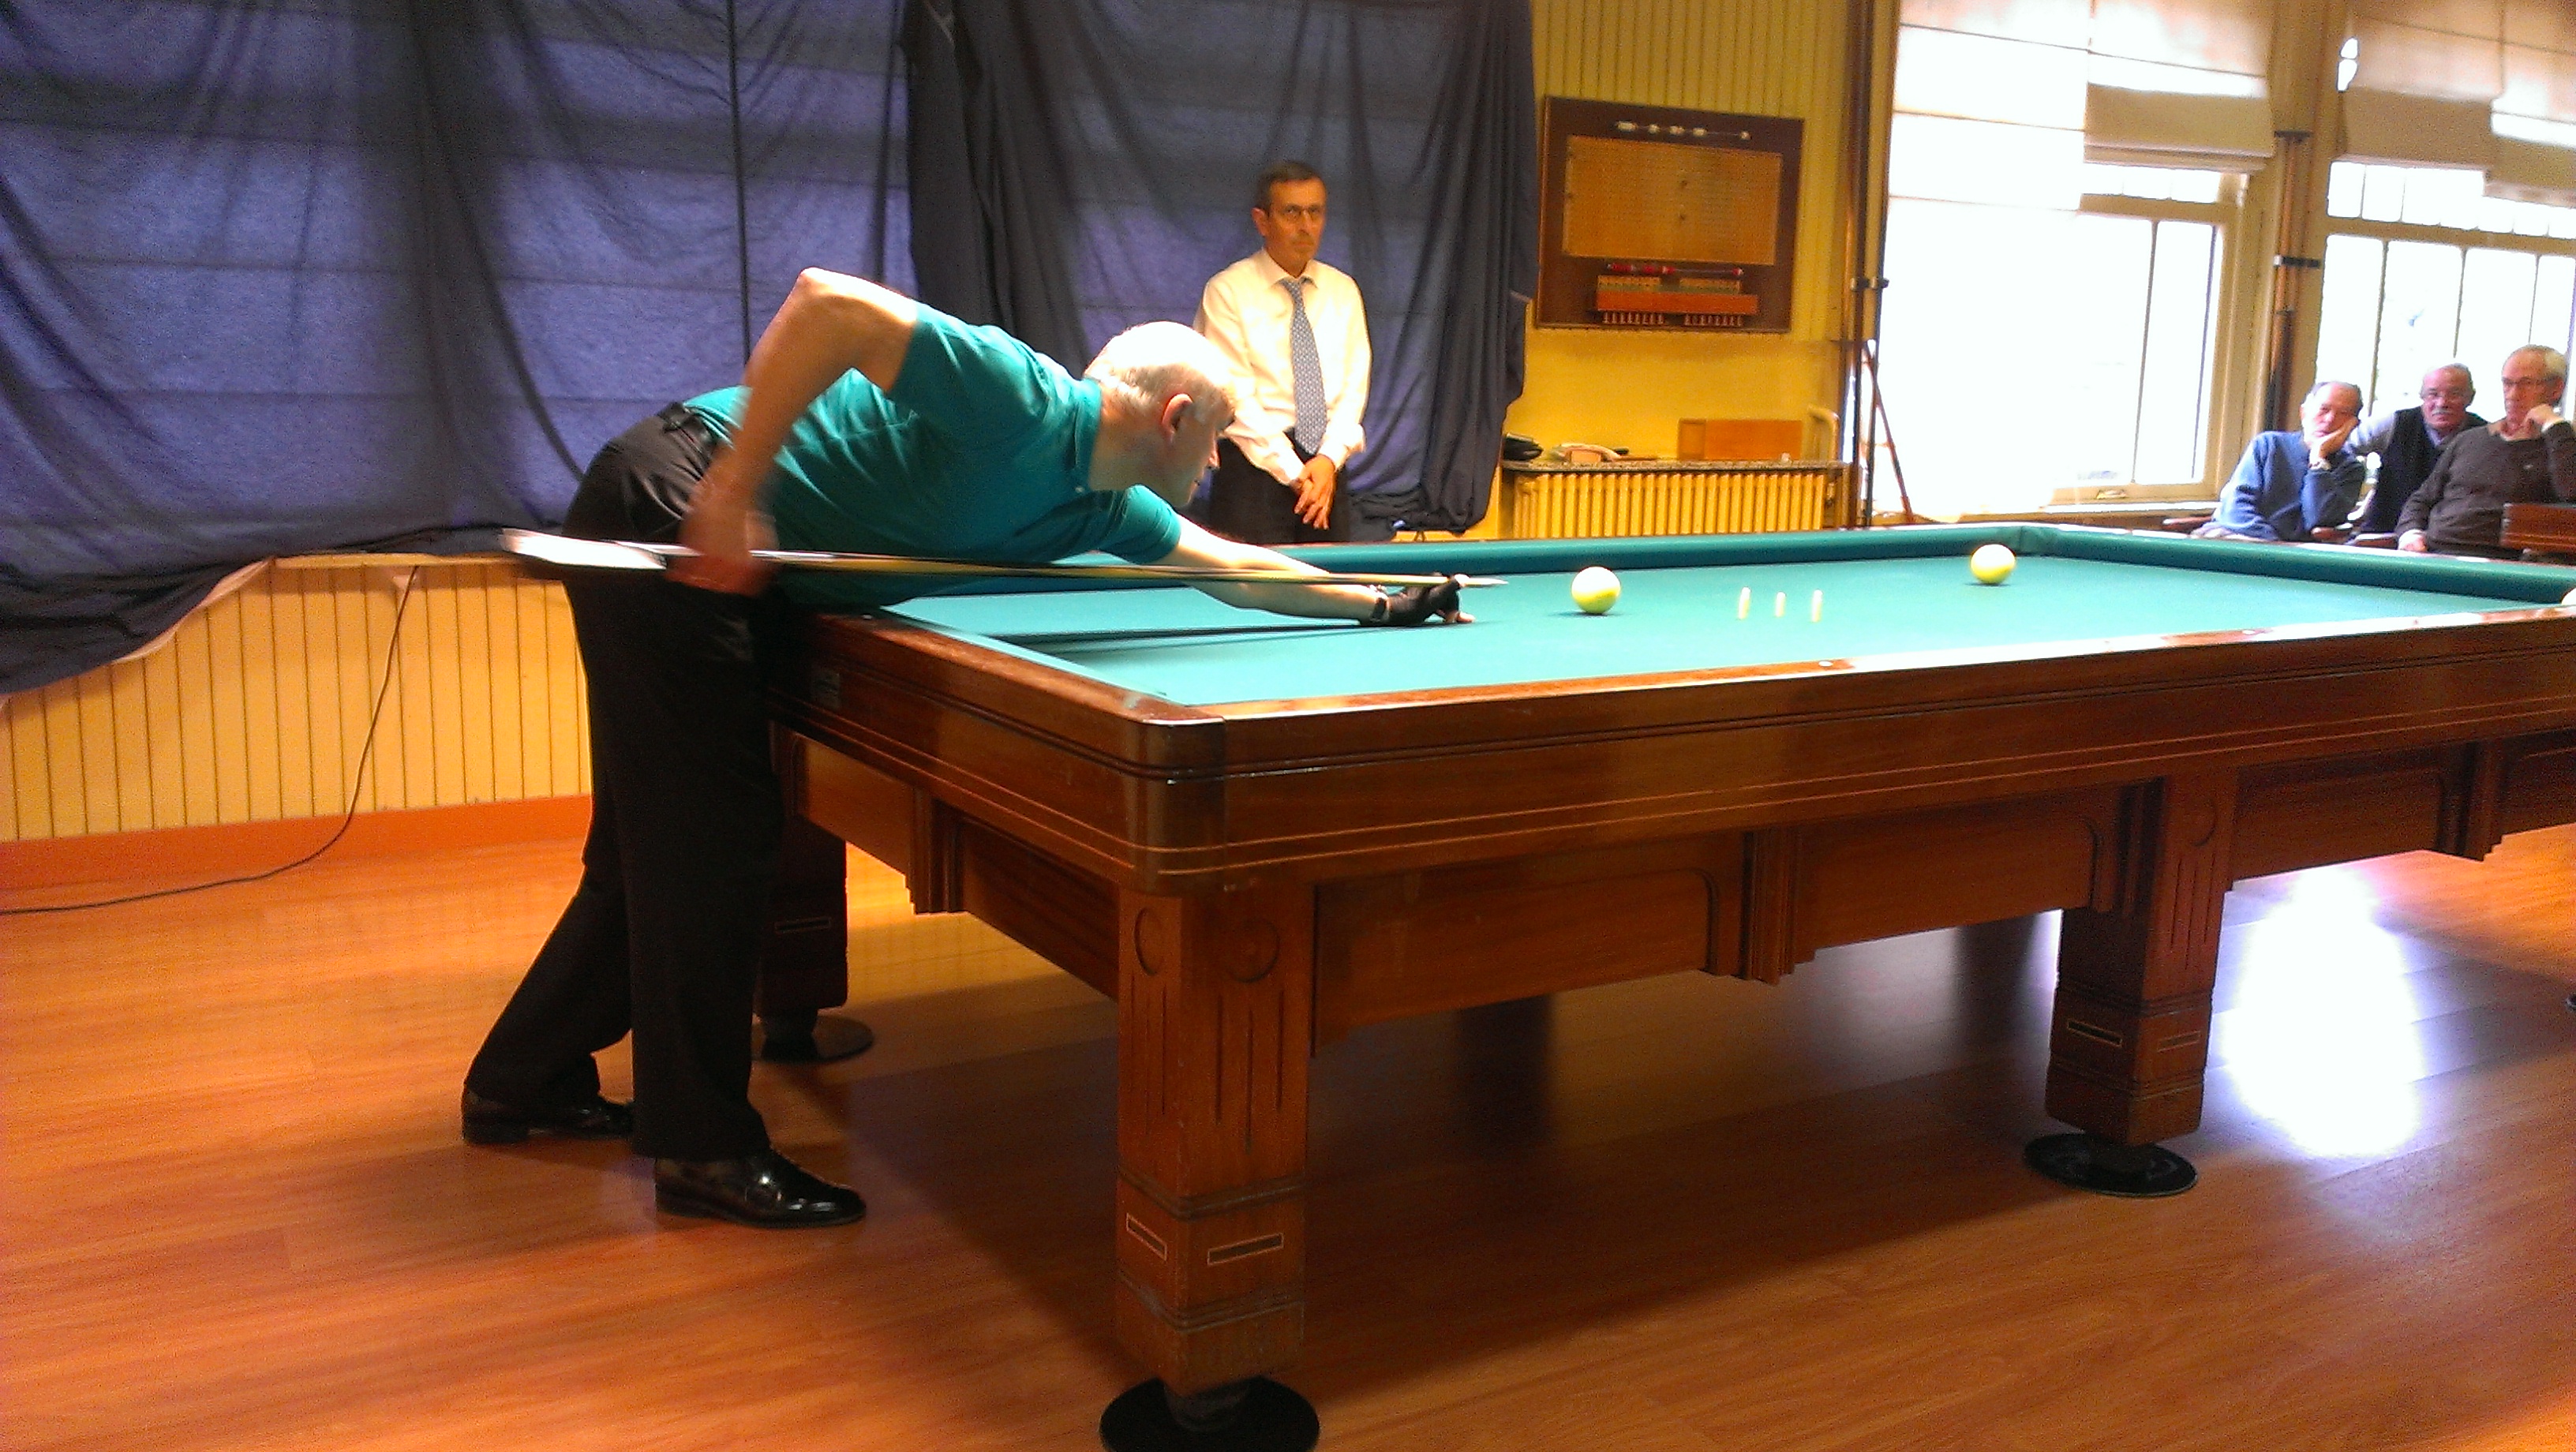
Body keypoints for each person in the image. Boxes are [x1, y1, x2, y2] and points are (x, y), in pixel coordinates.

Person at [461, 268, 1466, 1229]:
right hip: (674, 501)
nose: (1214, 467)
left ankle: (524, 1078)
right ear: (1174, 418)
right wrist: (734, 487)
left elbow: (1235, 570)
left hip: (702, 532)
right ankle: (702, 1150)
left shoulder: (1103, 504)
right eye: (1213, 441)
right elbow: (826, 303)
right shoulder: (1020, 398)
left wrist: (1378, 603)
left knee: (654, 841)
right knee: (712, 839)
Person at [1193, 160, 1371, 544]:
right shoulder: (1227, 291)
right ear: (1262, 221)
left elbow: (1353, 390)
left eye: (1315, 212)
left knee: (1331, 580)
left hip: (1326, 470)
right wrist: (1295, 473)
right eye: (1291, 212)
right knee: (1256, 581)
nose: (1305, 226)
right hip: (1253, 471)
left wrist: (1327, 462)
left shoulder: (1343, 292)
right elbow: (1234, 399)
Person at [2398, 345, 2576, 558]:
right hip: (2432, 554)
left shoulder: (2564, 445)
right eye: (2507, 383)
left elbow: (2571, 492)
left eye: (2527, 384)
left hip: (2507, 563)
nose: (2513, 395)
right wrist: (2410, 534)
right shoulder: (2469, 440)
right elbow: (2422, 499)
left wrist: (2554, 425)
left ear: (2556, 389)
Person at [2195, 381, 2366, 542]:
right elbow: (2236, 507)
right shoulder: (2268, 444)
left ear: (2353, 424)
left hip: (2294, 553)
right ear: (2304, 412)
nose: (2330, 419)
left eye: (2343, 414)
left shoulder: (2351, 469)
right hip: (2242, 536)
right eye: (2323, 409)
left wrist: (2318, 460)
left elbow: (2319, 519)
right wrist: (2273, 544)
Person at [2346, 363, 2484, 535]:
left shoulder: (2485, 438)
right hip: (2384, 536)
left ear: (2471, 398)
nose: (2442, 403)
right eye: (2433, 394)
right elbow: (2342, 448)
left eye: (2454, 394)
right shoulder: (2394, 424)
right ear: (2421, 396)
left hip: (2452, 541)